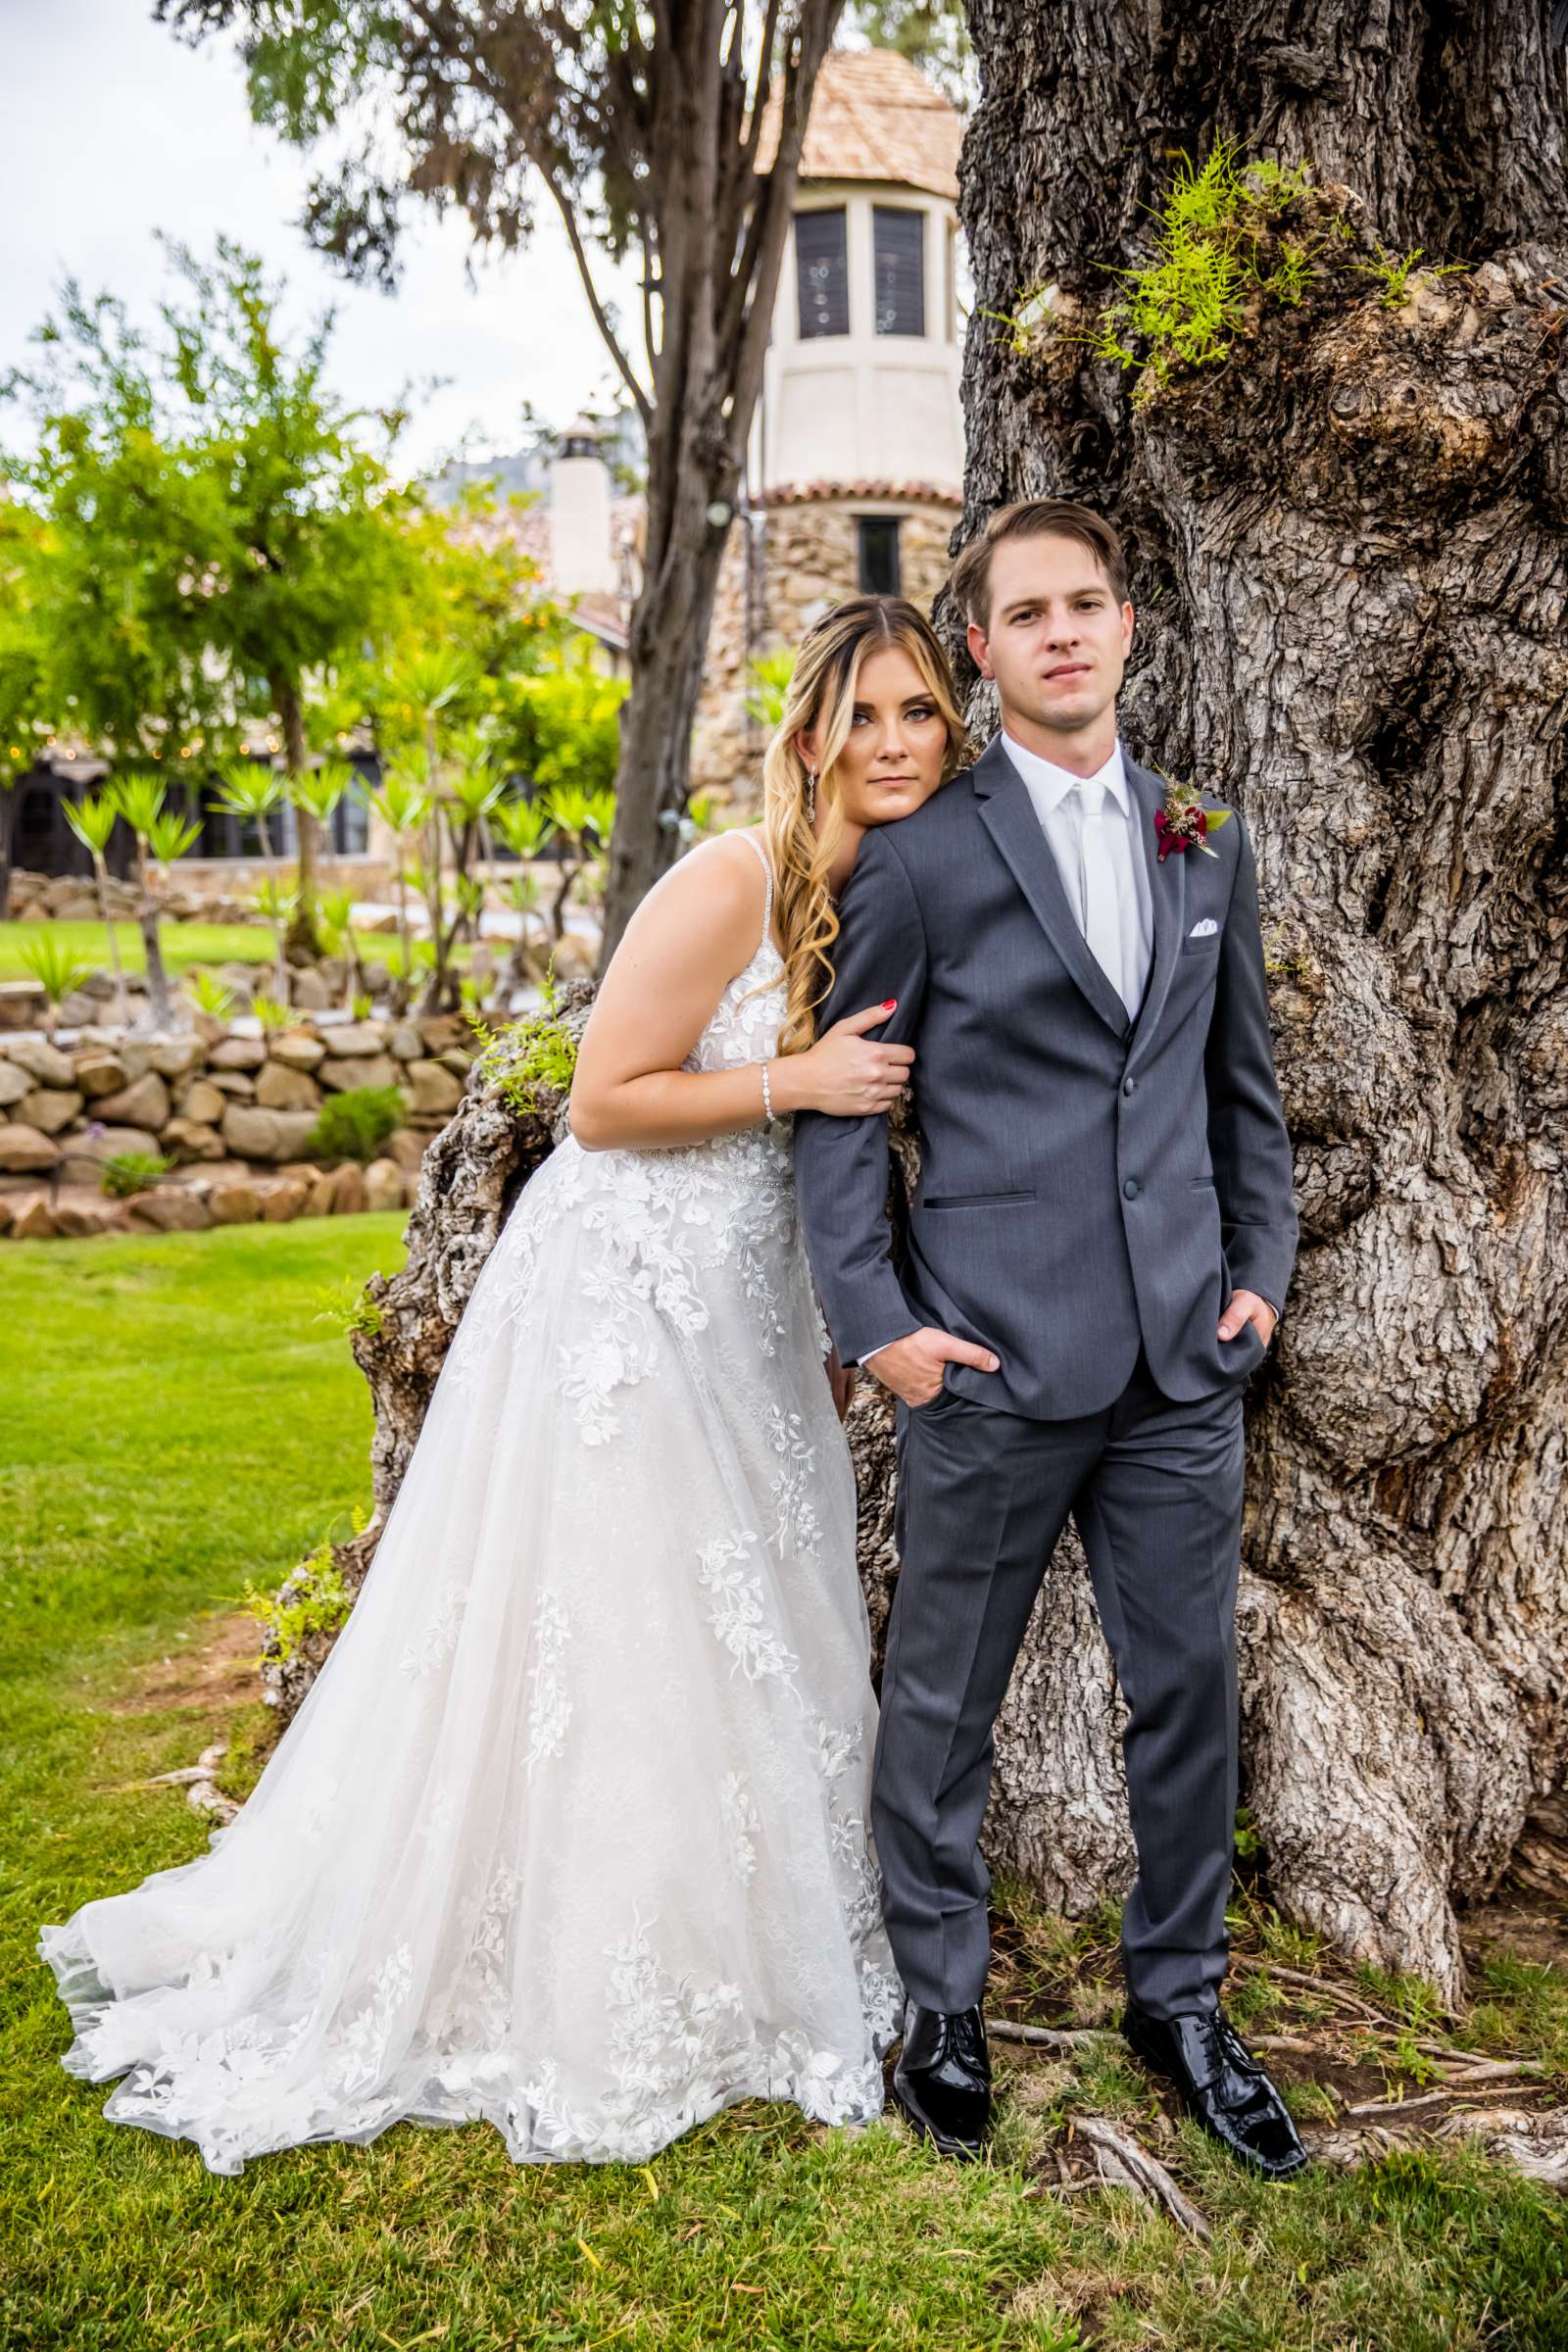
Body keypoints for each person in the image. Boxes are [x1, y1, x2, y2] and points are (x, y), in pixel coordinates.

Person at [36, 596, 967, 2179]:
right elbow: (604, 1104)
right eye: (861, 715)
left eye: (921, 716)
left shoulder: (886, 888)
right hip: (621, 1290)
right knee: (620, 1617)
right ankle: (580, 1968)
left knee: (746, 1608)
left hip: (746, 1295)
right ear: (807, 732)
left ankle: (727, 1937)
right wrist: (793, 1080)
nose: (891, 745)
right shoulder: (732, 877)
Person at [794, 500, 1309, 2180]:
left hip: (1182, 1360)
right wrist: (882, 1329)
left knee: (1191, 1695)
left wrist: (1263, 1271)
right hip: (994, 1359)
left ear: (1129, 623)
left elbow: (1242, 1091)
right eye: (1027, 615)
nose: (1063, 633)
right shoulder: (923, 855)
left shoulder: (1206, 834)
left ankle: (1181, 2002)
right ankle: (944, 2002)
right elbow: (843, 1116)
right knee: (943, 1701)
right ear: (986, 652)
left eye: (1085, 603)